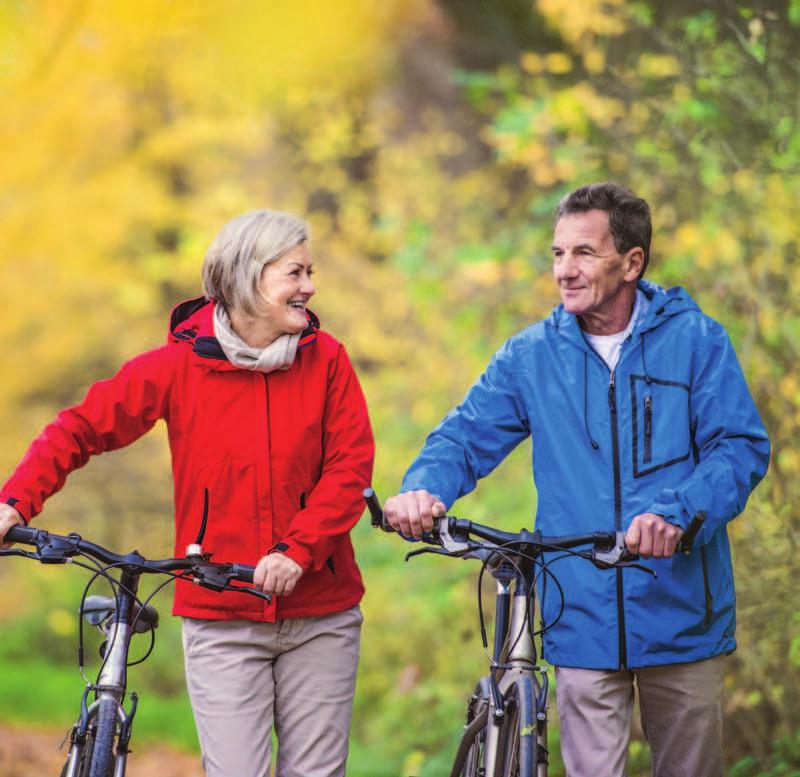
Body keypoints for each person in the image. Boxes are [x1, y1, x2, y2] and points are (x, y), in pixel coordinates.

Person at [383, 183, 769, 777]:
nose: (565, 270)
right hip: (579, 610)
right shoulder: (532, 355)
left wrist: (679, 511)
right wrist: (424, 487)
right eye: (558, 253)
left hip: (683, 608)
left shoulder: (696, 341)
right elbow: (463, 437)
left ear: (631, 262)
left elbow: (738, 448)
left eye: (584, 253)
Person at [0, 210, 374, 777]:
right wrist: (15, 501)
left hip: (320, 614)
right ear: (249, 278)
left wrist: (297, 551)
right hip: (221, 614)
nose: (310, 287)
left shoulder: (327, 362)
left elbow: (350, 469)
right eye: (295, 273)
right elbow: (81, 427)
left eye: (310, 272)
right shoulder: (179, 366)